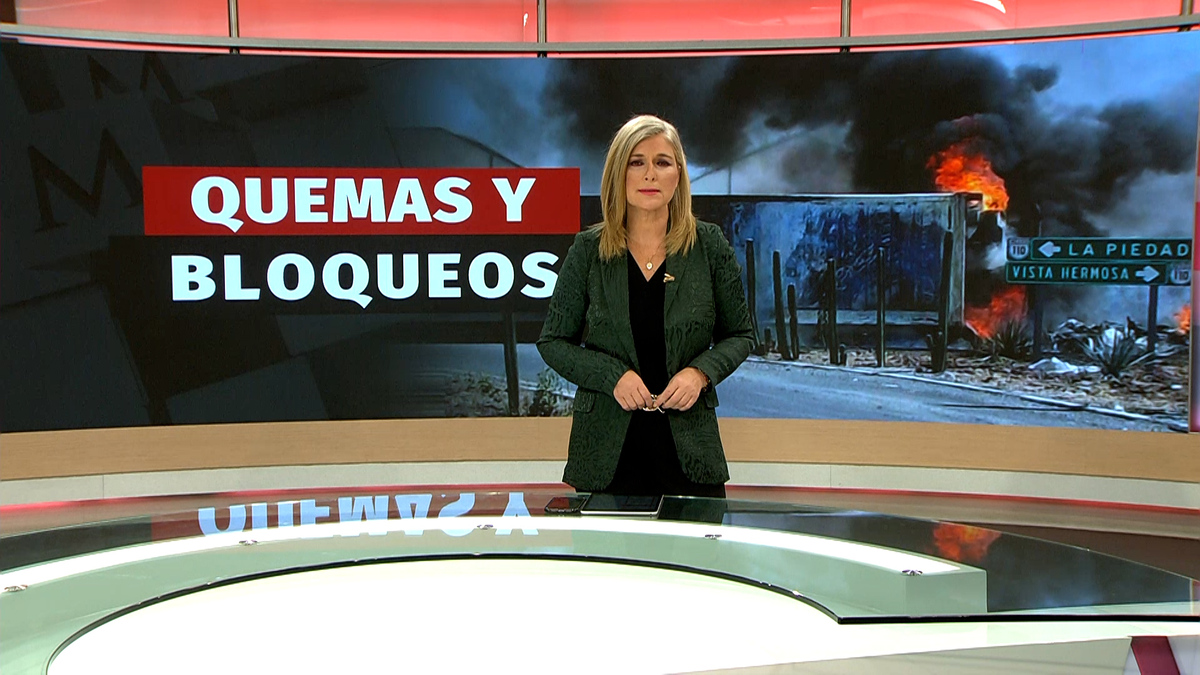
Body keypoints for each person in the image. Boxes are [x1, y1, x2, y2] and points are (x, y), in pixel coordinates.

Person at [536, 114, 755, 498]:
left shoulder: (709, 245)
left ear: (679, 175)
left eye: (662, 162)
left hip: (690, 457)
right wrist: (611, 376)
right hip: (606, 458)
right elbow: (552, 341)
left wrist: (700, 374)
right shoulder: (588, 250)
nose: (650, 174)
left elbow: (740, 335)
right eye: (636, 162)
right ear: (618, 174)